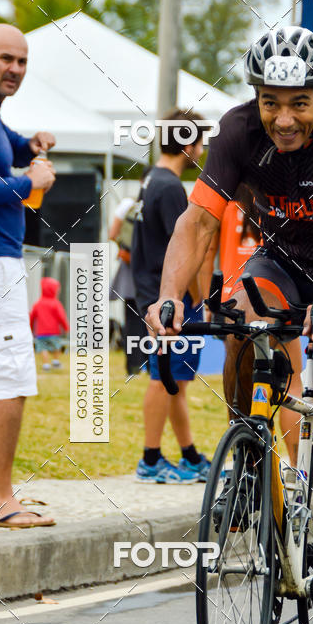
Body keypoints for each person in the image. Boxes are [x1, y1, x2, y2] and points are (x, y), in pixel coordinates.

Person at [147, 26, 313, 624]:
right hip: (281, 263)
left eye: (299, 103)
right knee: (234, 312)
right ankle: (250, 453)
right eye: (270, 101)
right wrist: (171, 294)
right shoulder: (235, 132)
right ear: (255, 96)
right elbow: (197, 221)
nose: (283, 118)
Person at [0, 23, 56, 528]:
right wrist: (30, 181)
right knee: (9, 378)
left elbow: (8, 146)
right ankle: (1, 500)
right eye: (6, 59)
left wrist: (32, 146)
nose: (15, 69)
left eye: (22, 62)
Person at [132, 109, 210, 484]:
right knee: (162, 377)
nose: (202, 149)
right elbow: (188, 254)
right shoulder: (172, 188)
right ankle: (149, 459)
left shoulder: (150, 179)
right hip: (170, 298)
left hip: (150, 292)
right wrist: (203, 300)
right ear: (187, 144)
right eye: (199, 141)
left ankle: (190, 455)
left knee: (172, 377)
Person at [203, 185, 303, 465]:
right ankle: (297, 468)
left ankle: (242, 459)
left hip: (233, 303)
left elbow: (209, 249)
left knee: (238, 387)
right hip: (272, 299)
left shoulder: (224, 202)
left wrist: (207, 301)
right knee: (292, 385)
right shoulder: (275, 203)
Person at [108, 176, 147, 376]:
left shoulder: (128, 203)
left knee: (132, 320)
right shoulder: (160, 199)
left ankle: (132, 366)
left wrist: (125, 250)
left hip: (129, 270)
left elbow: (113, 233)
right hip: (152, 272)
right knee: (151, 319)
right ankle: (150, 365)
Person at [29, 276, 69, 370]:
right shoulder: (56, 303)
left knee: (43, 348)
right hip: (54, 332)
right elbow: (61, 317)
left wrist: (30, 328)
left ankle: (46, 364)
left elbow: (32, 317)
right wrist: (66, 327)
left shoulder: (38, 303)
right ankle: (55, 361)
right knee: (56, 347)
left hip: (41, 333)